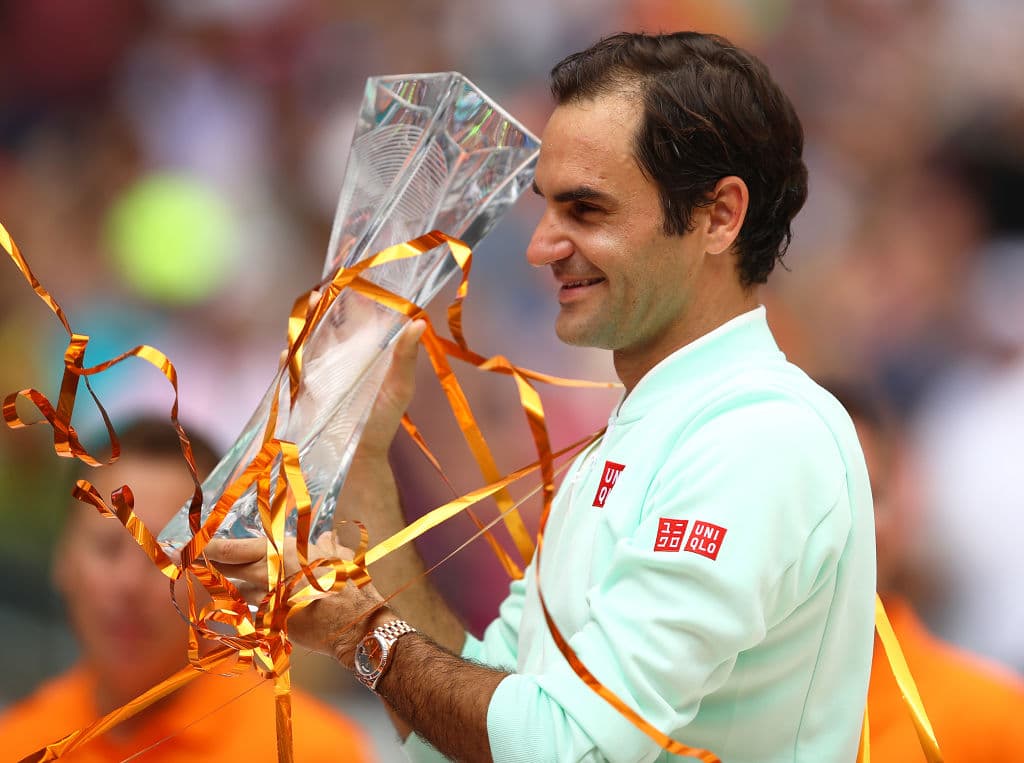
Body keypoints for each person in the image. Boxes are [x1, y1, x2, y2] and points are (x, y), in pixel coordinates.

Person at [207, 31, 876, 762]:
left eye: (586, 210)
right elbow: (477, 716)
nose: (540, 245)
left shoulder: (758, 437)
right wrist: (363, 460)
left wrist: (359, 630)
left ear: (719, 216)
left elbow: (565, 748)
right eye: (546, 207)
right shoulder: (641, 432)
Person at [0, 418, 373, 763]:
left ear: (222, 577)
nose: (130, 584)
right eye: (108, 548)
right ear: (62, 559)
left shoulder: (305, 750)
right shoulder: (19, 744)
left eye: (167, 554)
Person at [828, 384, 1024, 762]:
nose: (849, 524)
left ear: (901, 515)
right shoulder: (696, 711)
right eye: (818, 498)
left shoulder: (992, 720)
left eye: (870, 494)